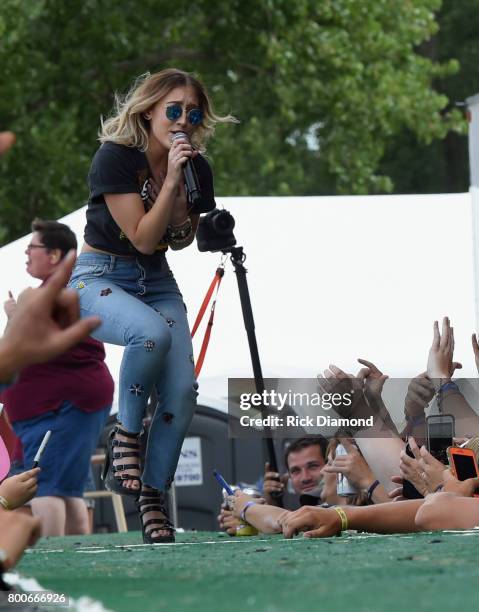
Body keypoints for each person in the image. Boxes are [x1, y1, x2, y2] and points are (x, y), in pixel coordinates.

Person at [68, 68, 235, 543]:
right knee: (151, 334)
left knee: (183, 392)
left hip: (157, 279)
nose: (183, 120)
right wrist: (168, 186)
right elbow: (141, 238)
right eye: (174, 110)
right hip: (99, 276)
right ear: (149, 109)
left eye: (193, 112)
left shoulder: (195, 167)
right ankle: (126, 430)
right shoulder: (115, 158)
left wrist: (182, 197)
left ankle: (152, 496)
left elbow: (177, 241)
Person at [1, 220, 113, 536]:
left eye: (32, 247)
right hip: (55, 408)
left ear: (53, 256)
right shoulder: (48, 296)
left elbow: (29, 346)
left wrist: (15, 316)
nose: (26, 252)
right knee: (65, 489)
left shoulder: (63, 295)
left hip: (62, 406)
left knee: (47, 486)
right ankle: (76, 559)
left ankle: (58, 565)